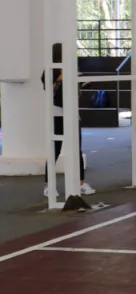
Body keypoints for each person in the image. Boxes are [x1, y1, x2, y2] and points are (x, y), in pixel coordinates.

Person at [41, 44, 94, 198]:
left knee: (77, 150)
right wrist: (59, 79)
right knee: (55, 150)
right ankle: (49, 186)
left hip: (72, 114)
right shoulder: (50, 70)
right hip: (57, 114)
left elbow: (78, 88)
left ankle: (80, 184)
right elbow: (49, 90)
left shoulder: (72, 68)